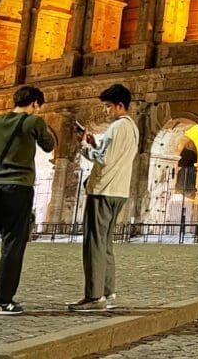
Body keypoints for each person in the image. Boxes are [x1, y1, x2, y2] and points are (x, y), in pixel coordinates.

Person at [0, 85, 54, 316]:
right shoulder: (33, 122)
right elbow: (49, 145)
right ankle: (2, 301)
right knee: (12, 246)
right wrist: (42, 122)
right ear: (35, 103)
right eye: (38, 106)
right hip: (19, 189)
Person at [68, 83, 139, 312]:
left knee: (94, 245)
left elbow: (103, 159)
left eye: (108, 107)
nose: (105, 111)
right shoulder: (133, 128)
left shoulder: (117, 127)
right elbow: (113, 156)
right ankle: (107, 291)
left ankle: (94, 297)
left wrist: (84, 146)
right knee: (105, 243)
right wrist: (95, 144)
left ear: (120, 106)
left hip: (102, 190)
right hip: (119, 191)